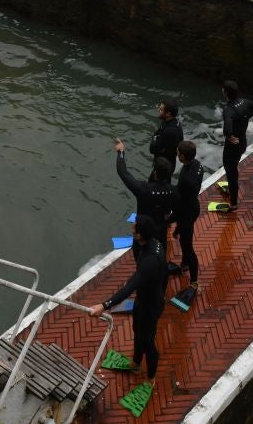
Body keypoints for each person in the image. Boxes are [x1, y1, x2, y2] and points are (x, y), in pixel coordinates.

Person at [86, 216, 167, 381]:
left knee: (148, 342)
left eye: (134, 227)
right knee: (137, 332)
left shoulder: (149, 262)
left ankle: (150, 380)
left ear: (139, 235)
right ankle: (136, 364)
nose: (132, 227)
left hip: (150, 306)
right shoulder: (154, 243)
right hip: (145, 299)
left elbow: (128, 288)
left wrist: (104, 305)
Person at [115, 140, 178, 257]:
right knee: (160, 255)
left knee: (140, 258)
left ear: (154, 172)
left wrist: (121, 152)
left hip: (143, 230)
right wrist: (167, 220)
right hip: (160, 229)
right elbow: (181, 210)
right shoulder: (174, 191)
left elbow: (123, 172)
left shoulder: (143, 189)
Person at [171, 140, 203, 304]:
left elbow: (180, 202)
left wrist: (172, 219)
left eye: (178, 153)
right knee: (184, 241)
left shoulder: (187, 180)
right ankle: (183, 266)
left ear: (183, 156)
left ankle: (194, 282)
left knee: (187, 247)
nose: (176, 155)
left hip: (187, 212)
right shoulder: (197, 164)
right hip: (192, 206)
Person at [220, 80, 253, 209]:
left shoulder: (228, 109)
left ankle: (233, 203)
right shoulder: (245, 102)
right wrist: (245, 117)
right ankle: (231, 187)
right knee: (233, 167)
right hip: (242, 142)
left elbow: (227, 129)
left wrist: (229, 136)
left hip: (232, 146)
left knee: (231, 172)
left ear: (225, 92)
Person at [149, 100, 184, 175]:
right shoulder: (173, 122)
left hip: (163, 168)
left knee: (155, 185)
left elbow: (152, 149)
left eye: (161, 109)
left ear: (168, 113)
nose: (158, 110)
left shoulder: (169, 131)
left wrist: (155, 137)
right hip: (167, 163)